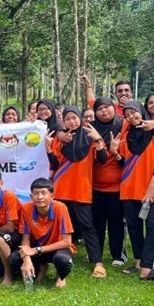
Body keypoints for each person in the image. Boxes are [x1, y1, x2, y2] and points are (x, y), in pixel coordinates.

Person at [45, 106, 107, 278]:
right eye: (67, 119)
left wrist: (99, 141)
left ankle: (98, 262)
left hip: (81, 190)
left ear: (81, 118)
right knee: (57, 226)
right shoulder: (61, 139)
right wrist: (49, 149)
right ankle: (51, 259)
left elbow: (102, 160)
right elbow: (56, 165)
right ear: (63, 121)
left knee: (87, 226)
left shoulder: (90, 136)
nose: (71, 121)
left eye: (74, 118)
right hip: (61, 190)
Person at [112, 100, 154, 281]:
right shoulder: (127, 137)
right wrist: (115, 152)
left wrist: (150, 190)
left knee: (153, 226)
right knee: (135, 227)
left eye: (134, 113)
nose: (131, 117)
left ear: (141, 112)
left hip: (152, 190)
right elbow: (124, 162)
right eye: (127, 115)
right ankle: (138, 262)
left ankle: (146, 267)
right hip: (129, 188)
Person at [9, 178, 75, 288]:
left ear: (52, 196)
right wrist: (26, 259)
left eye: (44, 193)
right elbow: (25, 239)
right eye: (36, 193)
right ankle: (41, 267)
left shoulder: (60, 208)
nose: (39, 197)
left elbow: (67, 242)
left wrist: (35, 250)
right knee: (14, 259)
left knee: (63, 260)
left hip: (56, 248)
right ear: (31, 197)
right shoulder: (26, 209)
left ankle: (60, 275)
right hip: (37, 249)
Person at [90, 97, 127, 267]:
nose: (104, 111)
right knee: (97, 222)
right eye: (100, 109)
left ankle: (118, 255)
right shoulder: (91, 130)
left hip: (117, 186)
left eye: (107, 107)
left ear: (114, 108)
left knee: (116, 222)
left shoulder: (123, 126)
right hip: (95, 186)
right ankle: (95, 254)